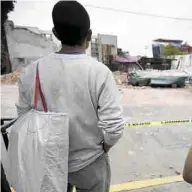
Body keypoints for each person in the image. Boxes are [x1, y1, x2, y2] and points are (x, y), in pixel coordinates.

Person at [16, 1, 124, 192]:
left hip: (49, 163)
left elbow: (23, 120)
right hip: (90, 162)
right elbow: (114, 128)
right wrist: (104, 148)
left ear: (55, 34)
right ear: (89, 35)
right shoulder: (99, 72)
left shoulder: (32, 72)